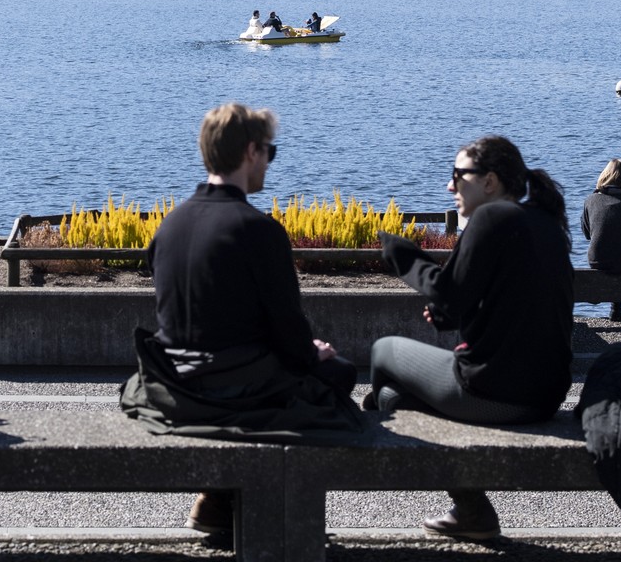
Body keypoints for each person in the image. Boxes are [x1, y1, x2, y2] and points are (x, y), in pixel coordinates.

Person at [121, 102, 358, 537]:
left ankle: (218, 499)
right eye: (270, 151)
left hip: (173, 383)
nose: (269, 160)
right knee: (337, 375)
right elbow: (288, 330)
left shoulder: (169, 226)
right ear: (251, 151)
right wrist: (314, 353)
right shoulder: (258, 231)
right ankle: (288, 518)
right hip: (230, 389)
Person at [369, 135, 572, 542]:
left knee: (383, 351)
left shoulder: (492, 218)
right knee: (393, 397)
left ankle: (466, 503)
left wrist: (402, 256)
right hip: (546, 393)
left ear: (490, 181)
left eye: (457, 175)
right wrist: (454, 317)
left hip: (494, 392)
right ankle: (470, 510)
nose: (450, 185)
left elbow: (447, 291)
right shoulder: (546, 223)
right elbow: (501, 303)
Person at [580, 159, 621, 322]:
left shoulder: (590, 200)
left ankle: (608, 301)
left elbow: (587, 234)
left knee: (607, 246)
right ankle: (616, 309)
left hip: (595, 258)